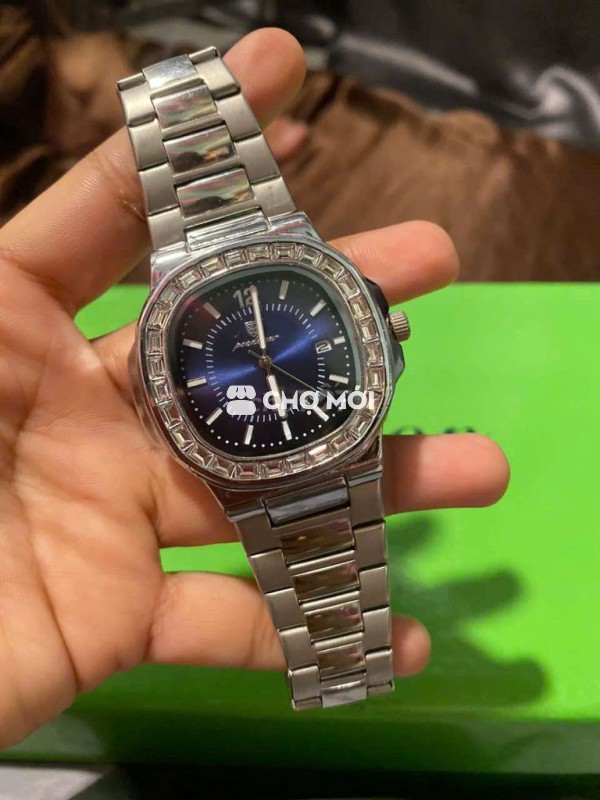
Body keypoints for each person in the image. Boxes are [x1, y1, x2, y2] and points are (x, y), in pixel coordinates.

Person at [0, 28, 509, 748]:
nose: (266, 364)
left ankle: (345, 671)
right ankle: (342, 671)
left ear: (378, 334)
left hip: (313, 440)